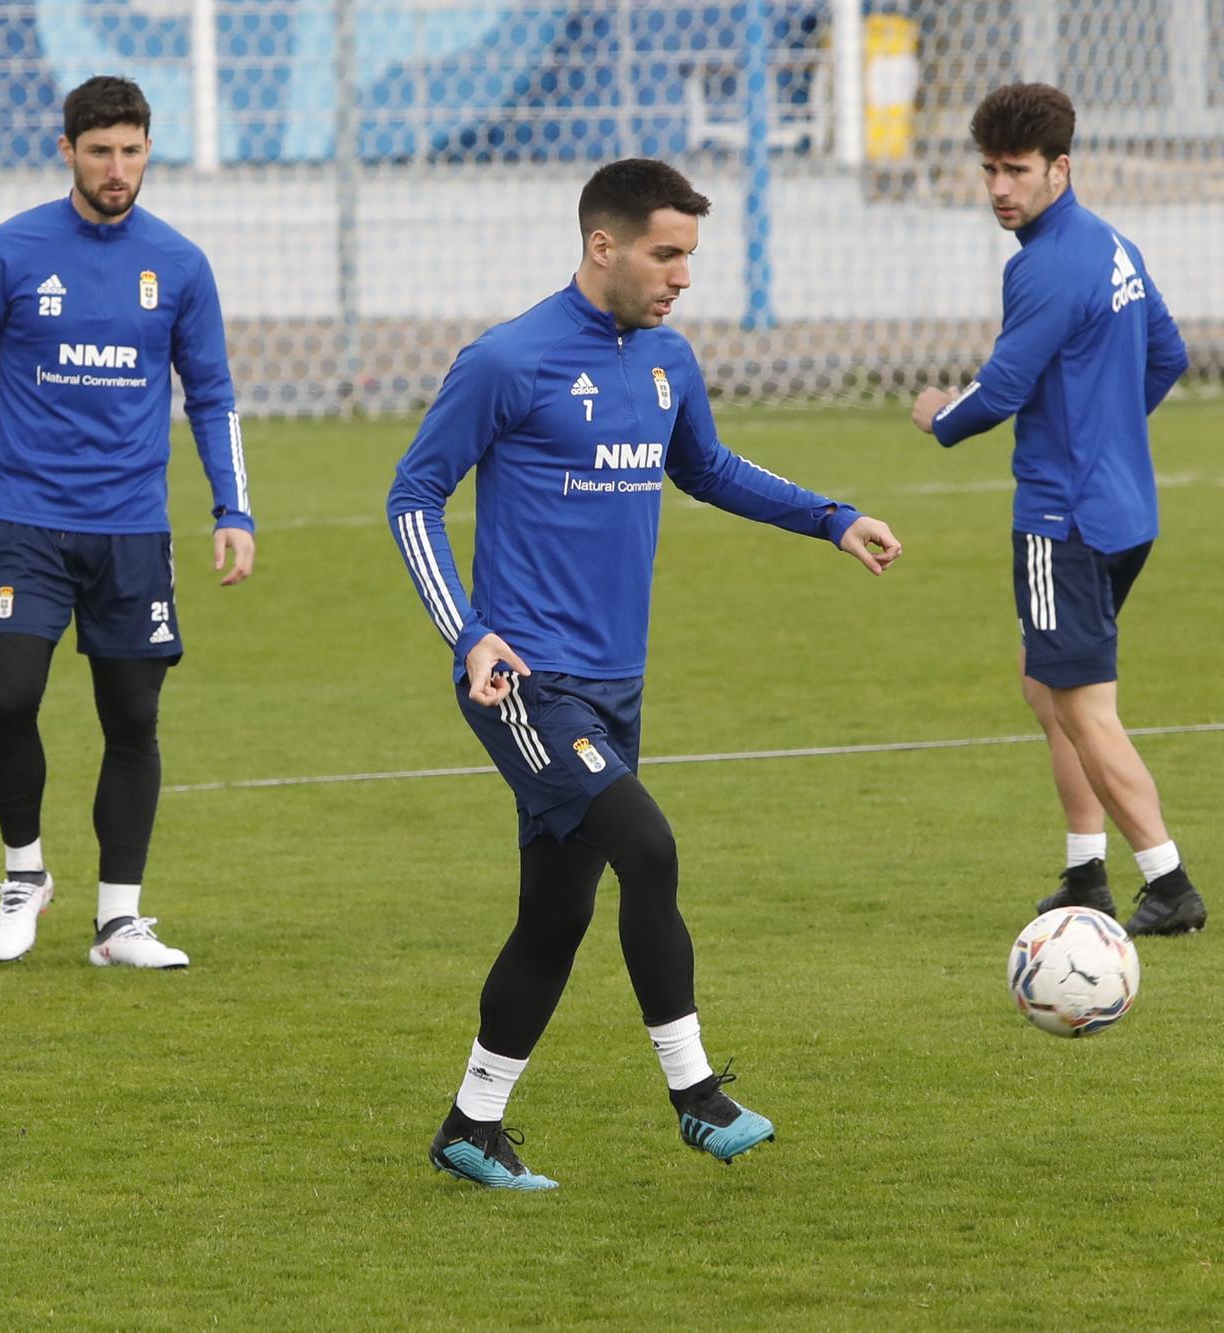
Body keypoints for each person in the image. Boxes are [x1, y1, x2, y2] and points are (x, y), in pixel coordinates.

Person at [388, 158, 902, 1190]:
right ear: (602, 246)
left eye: (688, 257)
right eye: (665, 255)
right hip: (524, 680)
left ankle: (469, 1123)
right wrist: (470, 635)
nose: (680, 277)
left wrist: (831, 518)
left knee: (555, 914)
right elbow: (413, 495)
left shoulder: (666, 361)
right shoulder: (506, 360)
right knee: (648, 845)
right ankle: (694, 1092)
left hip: (615, 684)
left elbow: (706, 469)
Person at [0, 75, 255, 969]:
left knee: (132, 719)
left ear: (150, 149)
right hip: (27, 520)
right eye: (100, 151)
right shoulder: (12, 251)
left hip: (134, 531)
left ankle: (118, 923)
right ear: (66, 150)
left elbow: (212, 393)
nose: (118, 168)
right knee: (10, 696)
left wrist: (234, 507)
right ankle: (24, 872)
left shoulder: (178, 264)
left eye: (132, 150)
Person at [908, 82, 1204, 938]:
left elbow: (999, 389)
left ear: (1059, 168)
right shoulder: (1112, 244)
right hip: (1123, 512)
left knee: (1080, 705)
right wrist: (1107, 433)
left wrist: (938, 415)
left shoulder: (1040, 267)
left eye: (1018, 171)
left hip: (1061, 522)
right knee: (1045, 687)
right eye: (990, 170)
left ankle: (1169, 881)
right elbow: (1169, 354)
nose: (1000, 187)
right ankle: (1085, 870)